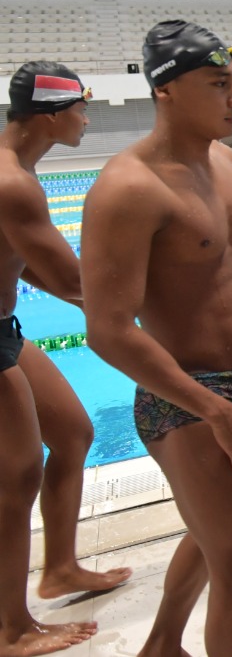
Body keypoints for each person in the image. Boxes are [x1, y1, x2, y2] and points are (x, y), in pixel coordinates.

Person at [81, 21, 232, 657]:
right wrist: (215, 409)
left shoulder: (225, 162)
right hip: (184, 397)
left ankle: (161, 645)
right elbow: (105, 330)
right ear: (167, 92)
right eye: (217, 84)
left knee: (219, 534)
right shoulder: (128, 189)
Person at [0, 63, 124, 656]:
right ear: (51, 115)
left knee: (72, 433)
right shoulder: (12, 183)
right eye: (81, 107)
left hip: (5, 328)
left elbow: (44, 276)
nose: (86, 118)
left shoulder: (18, 172)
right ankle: (12, 628)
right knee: (18, 476)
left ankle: (61, 568)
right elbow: (69, 277)